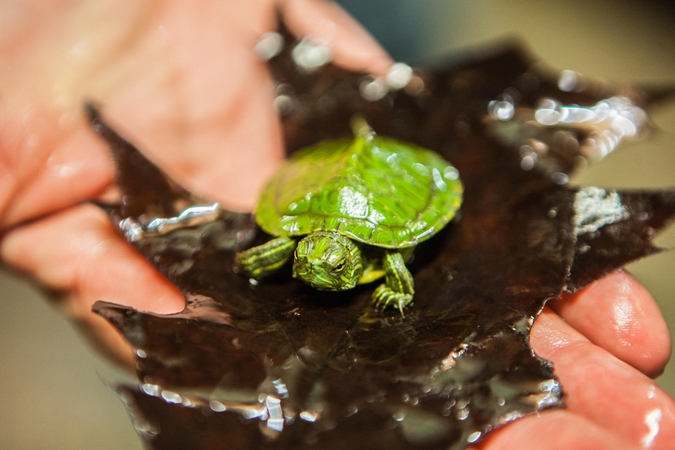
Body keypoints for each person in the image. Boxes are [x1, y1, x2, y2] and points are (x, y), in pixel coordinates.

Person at [0, 0, 673, 448]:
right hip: (317, 178)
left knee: (393, 39)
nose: (316, 264)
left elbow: (392, 255)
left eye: (328, 260)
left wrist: (395, 281)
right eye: (310, 256)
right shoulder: (294, 241)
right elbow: (276, 251)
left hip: (393, 178)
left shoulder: (379, 253)